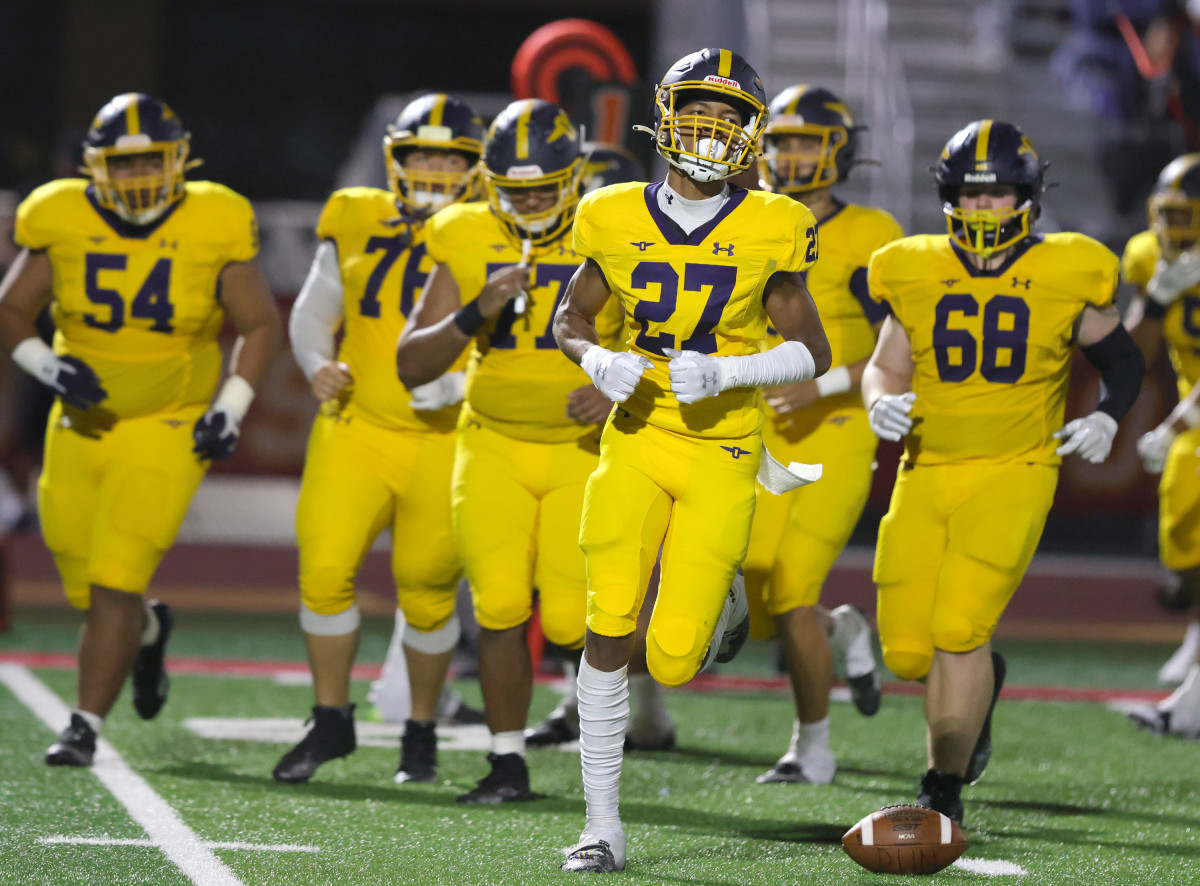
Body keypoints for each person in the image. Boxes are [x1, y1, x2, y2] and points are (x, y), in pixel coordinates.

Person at [552, 48, 832, 872]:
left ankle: (726, 596)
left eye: (728, 118)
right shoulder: (609, 212)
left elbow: (812, 351)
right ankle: (602, 824)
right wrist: (593, 358)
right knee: (604, 619)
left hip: (726, 444)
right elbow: (571, 317)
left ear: (750, 134)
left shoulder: (772, 223)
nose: (710, 133)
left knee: (672, 658)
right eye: (698, 114)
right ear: (666, 116)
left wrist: (736, 370)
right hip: (637, 435)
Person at [862, 119, 1145, 823]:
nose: (985, 208)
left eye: (999, 195)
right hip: (925, 469)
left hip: (1015, 468)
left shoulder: (1067, 266)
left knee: (959, 628)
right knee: (902, 650)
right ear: (949, 197)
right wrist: (877, 403)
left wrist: (1109, 414)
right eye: (971, 194)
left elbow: (1123, 358)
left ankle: (942, 787)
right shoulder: (911, 265)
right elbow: (885, 364)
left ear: (1028, 197)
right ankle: (981, 686)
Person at [0, 93, 282, 766]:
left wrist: (231, 406)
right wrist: (49, 366)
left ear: (178, 161)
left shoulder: (215, 216)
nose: (138, 178)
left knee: (114, 582)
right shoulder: (58, 213)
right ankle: (151, 629)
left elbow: (259, 324)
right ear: (94, 167)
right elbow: (12, 308)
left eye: (151, 162)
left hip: (168, 421)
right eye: (123, 166)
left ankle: (83, 726)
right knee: (84, 585)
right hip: (80, 423)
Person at [396, 98, 623, 804]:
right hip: (490, 443)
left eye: (542, 187)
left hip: (579, 449)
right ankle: (506, 761)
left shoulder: (613, 230)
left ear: (574, 175)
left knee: (567, 619)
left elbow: (673, 331)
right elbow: (410, 364)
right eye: (515, 190)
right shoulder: (463, 234)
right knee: (496, 604)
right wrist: (476, 311)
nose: (528, 203)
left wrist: (617, 390)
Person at [271, 94, 484, 785]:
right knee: (323, 573)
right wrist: (315, 364)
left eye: (450, 158)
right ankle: (330, 719)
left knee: (425, 592)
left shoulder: (498, 233)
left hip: (447, 438)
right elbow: (313, 310)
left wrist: (457, 390)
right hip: (357, 427)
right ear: (395, 159)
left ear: (476, 167)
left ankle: (419, 730)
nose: (433, 169)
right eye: (422, 154)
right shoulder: (358, 215)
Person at [743, 84, 900, 786]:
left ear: (840, 150)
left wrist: (823, 383)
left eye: (808, 140)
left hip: (837, 425)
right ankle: (848, 630)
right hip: (761, 429)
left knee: (792, 589)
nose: (792, 154)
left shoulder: (870, 232)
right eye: (781, 141)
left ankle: (812, 747)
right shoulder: (744, 219)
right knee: (754, 588)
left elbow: (908, 345)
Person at [524, 141, 678, 753]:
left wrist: (617, 391)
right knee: (567, 582)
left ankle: (645, 708)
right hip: (547, 436)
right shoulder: (532, 243)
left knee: (626, 577)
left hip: (634, 430)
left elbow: (676, 333)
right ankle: (581, 697)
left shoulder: (639, 249)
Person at [1120, 151, 1200, 730]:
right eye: (1167, 215)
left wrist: (1172, 423)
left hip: (1190, 414)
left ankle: (1187, 710)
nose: (1173, 229)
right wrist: (1156, 298)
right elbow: (1131, 355)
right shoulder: (1150, 257)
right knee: (1181, 565)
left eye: (1187, 216)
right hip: (1193, 416)